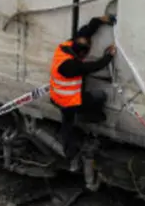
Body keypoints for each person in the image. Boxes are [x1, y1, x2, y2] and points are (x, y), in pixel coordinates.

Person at [49, 14, 117, 161]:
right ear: (80, 53)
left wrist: (99, 21)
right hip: (67, 102)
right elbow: (94, 66)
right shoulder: (70, 66)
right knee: (99, 98)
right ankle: (69, 150)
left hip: (57, 95)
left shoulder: (65, 47)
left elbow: (85, 31)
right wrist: (109, 56)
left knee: (68, 121)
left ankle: (72, 136)